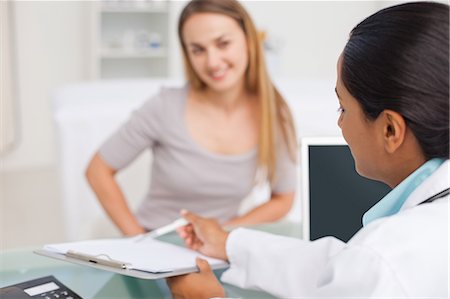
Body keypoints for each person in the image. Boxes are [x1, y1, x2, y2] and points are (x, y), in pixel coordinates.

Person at [167, 2, 449, 298]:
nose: (340, 123)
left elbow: (368, 268)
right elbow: (341, 267)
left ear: (390, 130)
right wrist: (228, 243)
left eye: (343, 107)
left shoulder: (381, 260)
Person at [85, 0, 297, 236]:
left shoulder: (274, 115)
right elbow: (97, 170)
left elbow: (282, 198)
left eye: (223, 44)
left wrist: (223, 232)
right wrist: (139, 242)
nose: (212, 62)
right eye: (197, 50)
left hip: (217, 250)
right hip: (156, 246)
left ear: (249, 41)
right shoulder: (165, 106)